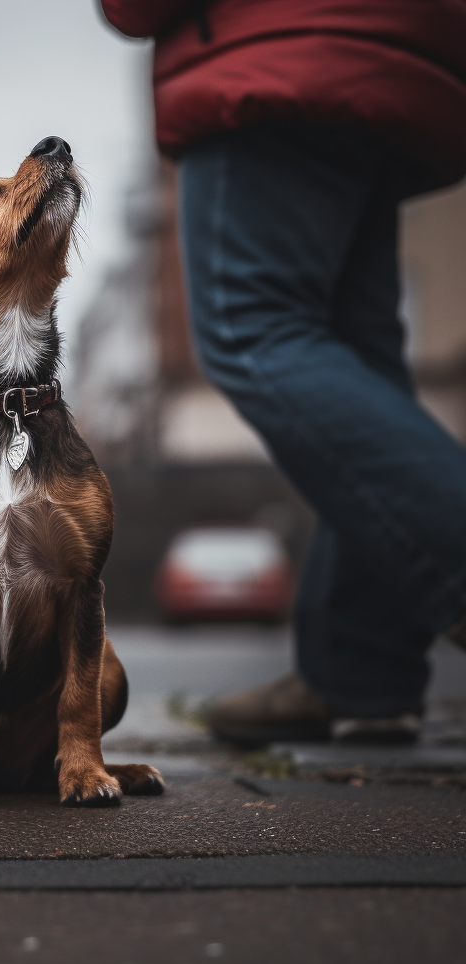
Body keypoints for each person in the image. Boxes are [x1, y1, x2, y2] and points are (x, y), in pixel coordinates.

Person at [99, 0, 466, 744]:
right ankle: (357, 671)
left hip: (271, 55)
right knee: (356, 357)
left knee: (253, 330)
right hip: (386, 48)